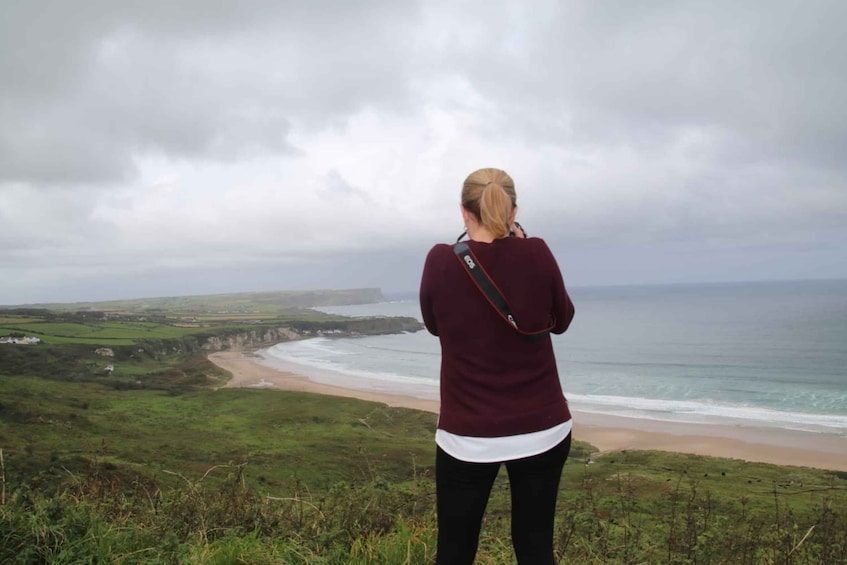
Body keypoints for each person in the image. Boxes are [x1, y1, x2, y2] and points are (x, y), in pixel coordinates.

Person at [419, 167, 576, 564]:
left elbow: (435, 326)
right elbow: (563, 320)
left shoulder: (440, 260)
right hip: (543, 428)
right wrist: (523, 250)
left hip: (468, 434)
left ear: (463, 212)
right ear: (513, 211)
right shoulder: (537, 252)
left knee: (454, 550)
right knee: (535, 546)